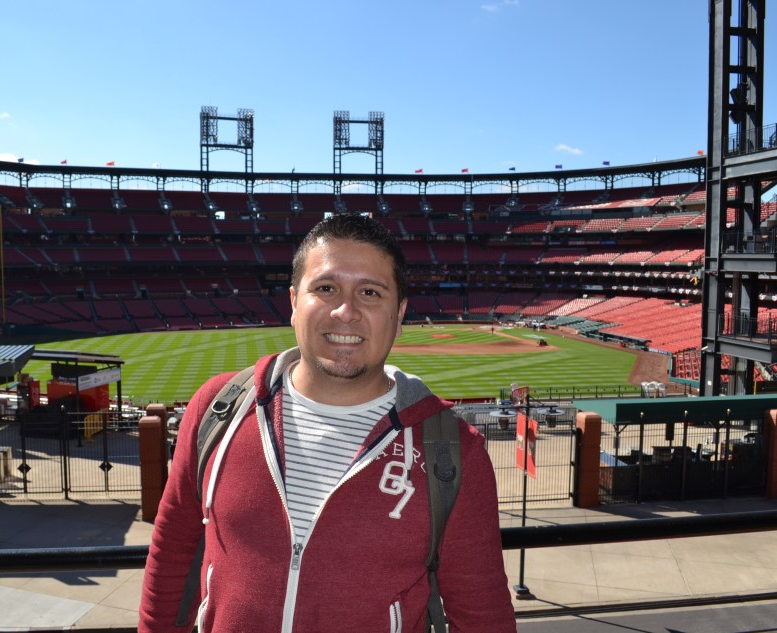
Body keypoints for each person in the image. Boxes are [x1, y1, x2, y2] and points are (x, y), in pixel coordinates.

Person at [139, 213, 515, 633]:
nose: (345, 311)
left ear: (400, 313)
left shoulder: (452, 449)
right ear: (295, 301)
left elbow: (483, 614)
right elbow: (172, 554)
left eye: (370, 292)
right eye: (325, 288)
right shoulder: (218, 409)